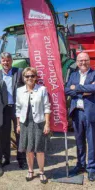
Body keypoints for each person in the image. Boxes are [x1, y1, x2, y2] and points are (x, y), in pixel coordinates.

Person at [16, 67, 51, 184]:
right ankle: (30, 170)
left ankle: (41, 171)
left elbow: (47, 107)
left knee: (40, 150)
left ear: (36, 77)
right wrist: (18, 124)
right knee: (28, 149)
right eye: (27, 76)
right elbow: (18, 109)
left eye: (32, 76)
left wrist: (47, 124)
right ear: (24, 78)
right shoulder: (19, 90)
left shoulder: (42, 89)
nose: (30, 78)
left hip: (39, 123)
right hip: (25, 123)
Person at [0, 52, 26, 169]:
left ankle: (21, 159)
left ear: (11, 61)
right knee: (4, 135)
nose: (6, 63)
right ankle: (6, 158)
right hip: (3, 109)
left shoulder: (20, 72)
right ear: (1, 62)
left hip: (17, 108)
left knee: (20, 133)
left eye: (8, 60)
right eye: (3, 60)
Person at [65, 52, 95, 181]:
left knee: (92, 141)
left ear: (89, 61)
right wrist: (85, 90)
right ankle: (81, 165)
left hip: (90, 113)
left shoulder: (94, 74)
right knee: (79, 141)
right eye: (80, 60)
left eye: (85, 60)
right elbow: (66, 90)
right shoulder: (73, 75)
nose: (83, 63)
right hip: (76, 113)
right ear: (76, 62)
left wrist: (76, 88)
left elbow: (94, 89)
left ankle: (92, 168)